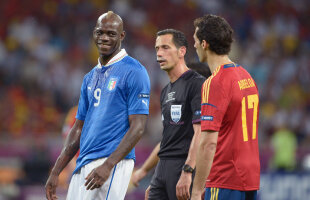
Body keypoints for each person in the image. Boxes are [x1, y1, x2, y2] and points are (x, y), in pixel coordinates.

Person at [45, 11, 150, 200]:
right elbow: (78, 128)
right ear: (94, 33)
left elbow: (138, 127)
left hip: (112, 162)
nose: (104, 38)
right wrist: (56, 171)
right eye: (100, 32)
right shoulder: (89, 77)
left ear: (122, 36)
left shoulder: (134, 71)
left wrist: (109, 165)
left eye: (111, 34)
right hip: (83, 163)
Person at [191, 14, 260, 200]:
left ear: (204, 44)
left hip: (225, 178)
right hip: (250, 177)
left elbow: (208, 143)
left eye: (196, 41)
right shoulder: (246, 76)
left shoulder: (215, 83)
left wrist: (197, 190)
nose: (195, 45)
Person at [133, 29, 206, 200]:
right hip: (163, 171)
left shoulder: (197, 84)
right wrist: (157, 178)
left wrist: (188, 171)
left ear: (182, 51)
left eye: (165, 47)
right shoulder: (166, 91)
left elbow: (201, 132)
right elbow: (168, 138)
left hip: (183, 166)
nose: (159, 53)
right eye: (157, 48)